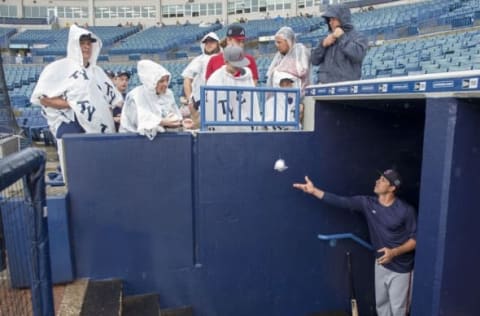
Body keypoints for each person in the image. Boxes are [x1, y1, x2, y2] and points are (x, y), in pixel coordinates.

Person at [293, 169, 416, 316]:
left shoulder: (405, 210)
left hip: (401, 269)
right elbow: (341, 201)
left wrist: (394, 252)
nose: (377, 181)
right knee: (381, 307)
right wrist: (314, 191)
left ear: (392, 188)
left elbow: (415, 240)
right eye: (379, 178)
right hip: (381, 263)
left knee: (398, 311)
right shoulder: (368, 203)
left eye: (383, 180)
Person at [31, 24, 122, 182]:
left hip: (96, 130)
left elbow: (114, 100)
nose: (86, 47)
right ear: (74, 45)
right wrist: (73, 105)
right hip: (70, 125)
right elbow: (43, 98)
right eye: (82, 43)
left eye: (89, 44)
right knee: (75, 175)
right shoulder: (59, 68)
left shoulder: (97, 72)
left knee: (98, 173)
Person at [119, 60, 193, 139]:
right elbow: (140, 122)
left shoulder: (168, 94)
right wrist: (163, 122)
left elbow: (171, 115)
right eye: (161, 81)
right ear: (151, 81)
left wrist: (181, 123)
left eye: (167, 80)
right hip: (131, 140)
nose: (165, 84)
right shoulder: (136, 95)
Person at [204, 45, 260, 132]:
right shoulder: (216, 78)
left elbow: (252, 103)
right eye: (235, 65)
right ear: (226, 61)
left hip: (247, 127)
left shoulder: (247, 75)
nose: (238, 67)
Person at [311, 4, 368, 84]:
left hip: (345, 88)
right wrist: (322, 45)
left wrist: (342, 37)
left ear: (342, 18)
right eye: (329, 20)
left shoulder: (358, 36)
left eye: (333, 19)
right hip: (324, 87)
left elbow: (357, 55)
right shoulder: (327, 38)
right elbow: (314, 60)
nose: (330, 22)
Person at [181, 32, 221, 128]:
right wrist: (190, 101)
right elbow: (187, 78)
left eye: (212, 41)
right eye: (206, 42)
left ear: (217, 44)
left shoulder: (223, 58)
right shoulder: (199, 59)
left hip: (220, 100)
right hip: (201, 101)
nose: (209, 44)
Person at [266, 26, 310, 96]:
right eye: (276, 43)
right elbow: (270, 74)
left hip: (299, 98)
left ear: (288, 41)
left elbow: (303, 71)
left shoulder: (300, 50)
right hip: (279, 100)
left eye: (279, 42)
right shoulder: (278, 56)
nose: (277, 45)